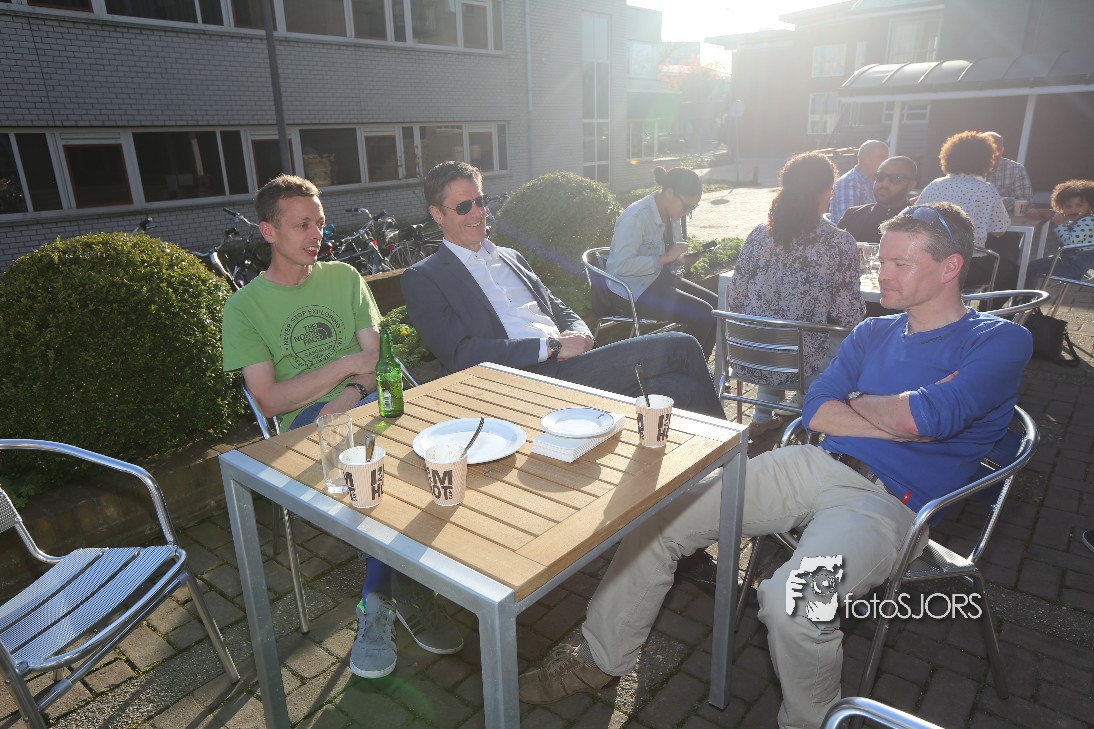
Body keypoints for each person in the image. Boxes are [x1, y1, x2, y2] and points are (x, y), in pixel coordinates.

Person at [517, 202, 1033, 729]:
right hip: (814, 462)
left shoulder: (999, 340)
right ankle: (599, 660)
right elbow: (819, 409)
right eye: (883, 260)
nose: (883, 273)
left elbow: (929, 418)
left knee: (796, 604)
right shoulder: (871, 332)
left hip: (889, 505)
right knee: (656, 519)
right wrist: (900, 415)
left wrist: (868, 406)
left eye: (901, 263)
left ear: (950, 267)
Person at [221, 174, 462, 682]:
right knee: (377, 472)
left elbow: (375, 360)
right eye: (302, 225)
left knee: (440, 454)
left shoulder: (345, 278)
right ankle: (387, 599)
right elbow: (269, 399)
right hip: (303, 428)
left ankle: (401, 586)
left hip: (365, 400)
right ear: (268, 231)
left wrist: (348, 391)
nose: (317, 235)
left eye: (320, 223)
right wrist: (346, 367)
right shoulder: (244, 308)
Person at [401, 161, 725, 420]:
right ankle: (735, 456)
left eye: (480, 201)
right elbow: (460, 354)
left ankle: (718, 468)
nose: (477, 212)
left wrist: (580, 334)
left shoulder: (510, 257)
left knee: (675, 387)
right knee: (681, 346)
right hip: (523, 381)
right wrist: (552, 346)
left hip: (568, 366)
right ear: (437, 213)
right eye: (463, 207)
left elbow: (557, 306)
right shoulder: (425, 277)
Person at [731, 152, 865, 437]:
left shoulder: (759, 234)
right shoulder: (839, 242)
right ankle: (814, 413)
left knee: (776, 328)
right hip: (799, 365)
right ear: (826, 190)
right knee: (845, 337)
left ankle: (761, 416)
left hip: (749, 355)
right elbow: (848, 316)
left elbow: (736, 297)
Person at [605, 166, 718, 356]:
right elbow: (622, 266)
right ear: (670, 193)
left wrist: (682, 260)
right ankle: (682, 369)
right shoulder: (635, 216)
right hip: (630, 290)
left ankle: (695, 368)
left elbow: (668, 257)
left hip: (658, 280)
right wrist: (665, 258)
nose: (687, 213)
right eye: (687, 207)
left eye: (692, 208)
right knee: (704, 314)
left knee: (716, 307)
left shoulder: (672, 214)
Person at [916, 131, 1013, 289]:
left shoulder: (934, 184)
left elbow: (917, 218)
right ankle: (995, 304)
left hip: (931, 261)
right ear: (986, 159)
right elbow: (999, 230)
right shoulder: (986, 189)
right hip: (968, 266)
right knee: (1010, 269)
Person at [837, 156, 919, 243]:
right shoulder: (853, 215)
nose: (884, 184)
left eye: (895, 178)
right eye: (880, 176)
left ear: (910, 185)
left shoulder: (918, 221)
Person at [1027, 179, 1094, 282]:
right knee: (1034, 265)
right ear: (1061, 207)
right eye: (1068, 206)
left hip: (1075, 268)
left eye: (1079, 205)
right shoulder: (1081, 218)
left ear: (1089, 206)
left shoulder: (1088, 221)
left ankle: (1024, 292)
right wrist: (1039, 212)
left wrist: (1060, 225)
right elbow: (1054, 214)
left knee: (1032, 267)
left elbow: (1070, 243)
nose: (1073, 209)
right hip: (1069, 262)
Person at [828, 139, 888, 224]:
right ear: (865, 158)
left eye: (887, 158)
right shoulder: (849, 183)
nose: (886, 161)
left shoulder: (876, 181)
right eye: (882, 157)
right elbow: (848, 223)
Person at [984, 132, 1032, 213]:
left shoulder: (1016, 169)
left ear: (1001, 150)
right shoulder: (968, 169)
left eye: (991, 149)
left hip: (1005, 219)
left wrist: (1001, 202)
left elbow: (1026, 202)